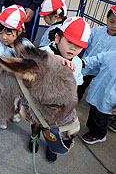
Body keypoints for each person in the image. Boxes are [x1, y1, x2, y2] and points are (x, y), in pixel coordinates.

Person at [29, 17, 91, 162]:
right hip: (40, 100)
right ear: (57, 38)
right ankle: (34, 137)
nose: (73, 49)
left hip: (59, 106)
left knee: (55, 128)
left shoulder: (76, 63)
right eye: (69, 42)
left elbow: (76, 84)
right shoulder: (45, 51)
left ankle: (52, 146)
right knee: (36, 121)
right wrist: (53, 58)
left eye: (78, 46)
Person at [77, 5, 116, 100]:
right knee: (82, 84)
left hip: (103, 71)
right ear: (106, 19)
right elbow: (85, 42)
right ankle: (77, 98)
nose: (114, 26)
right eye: (111, 22)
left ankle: (93, 101)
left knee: (98, 88)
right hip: (88, 65)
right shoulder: (96, 31)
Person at [81, 51, 116, 144]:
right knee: (94, 112)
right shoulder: (111, 55)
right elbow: (96, 59)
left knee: (100, 118)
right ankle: (92, 129)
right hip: (98, 92)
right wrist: (82, 62)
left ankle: (99, 135)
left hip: (110, 101)